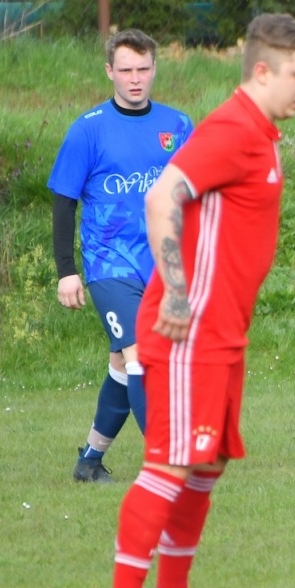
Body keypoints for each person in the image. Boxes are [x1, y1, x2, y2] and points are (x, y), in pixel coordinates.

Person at [93, 13, 295, 588]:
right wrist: (174, 287)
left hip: (223, 331)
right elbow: (161, 195)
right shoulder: (231, 128)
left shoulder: (263, 132)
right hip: (186, 328)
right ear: (263, 70)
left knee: (206, 462)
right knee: (170, 463)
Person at [49, 29, 193, 483]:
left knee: (121, 367)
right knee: (142, 357)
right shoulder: (88, 129)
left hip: (163, 266)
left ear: (155, 70)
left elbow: (194, 194)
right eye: (126, 70)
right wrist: (67, 272)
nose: (135, 79)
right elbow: (63, 202)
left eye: (143, 69)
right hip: (110, 267)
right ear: (110, 71)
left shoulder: (178, 126)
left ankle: (89, 461)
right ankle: (168, 467)